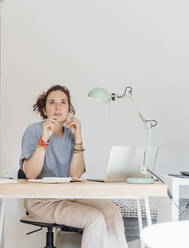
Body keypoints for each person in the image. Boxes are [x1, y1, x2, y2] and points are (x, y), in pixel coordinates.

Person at [19, 85, 128, 248]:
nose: (58, 107)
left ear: (69, 108)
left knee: (112, 212)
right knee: (95, 218)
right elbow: (30, 174)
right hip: (42, 200)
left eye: (63, 102)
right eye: (52, 102)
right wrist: (44, 139)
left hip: (69, 194)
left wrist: (78, 137)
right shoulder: (33, 131)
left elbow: (75, 175)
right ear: (44, 109)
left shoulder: (70, 134)